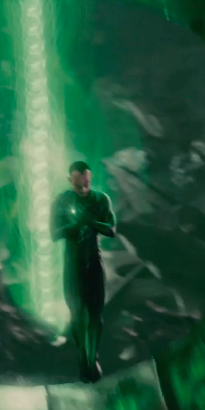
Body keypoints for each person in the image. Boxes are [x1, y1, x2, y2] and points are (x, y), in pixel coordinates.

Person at [50, 161, 116, 383]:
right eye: (79, 185)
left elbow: (111, 229)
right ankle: (82, 359)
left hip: (94, 261)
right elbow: (54, 233)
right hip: (73, 263)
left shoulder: (100, 199)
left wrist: (90, 222)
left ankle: (92, 357)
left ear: (90, 178)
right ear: (70, 180)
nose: (83, 189)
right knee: (77, 314)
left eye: (86, 184)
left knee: (95, 314)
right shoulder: (62, 201)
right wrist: (75, 226)